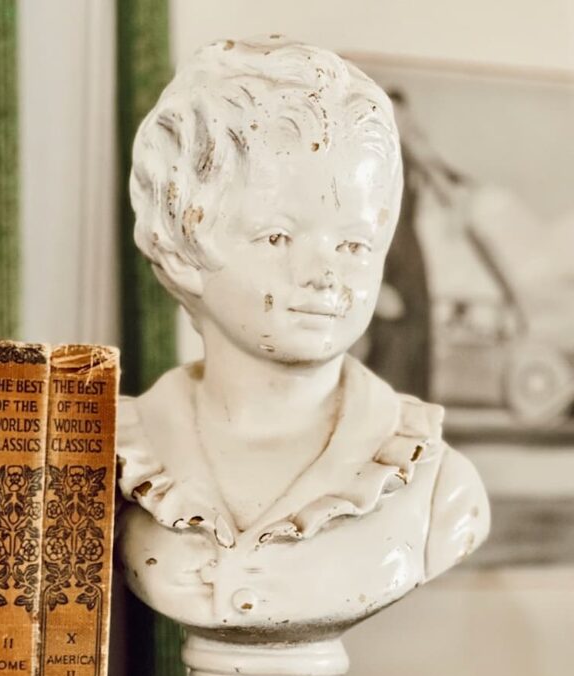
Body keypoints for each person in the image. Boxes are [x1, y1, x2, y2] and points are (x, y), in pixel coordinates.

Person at [117, 36, 490, 633]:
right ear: (179, 246)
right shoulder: (117, 463)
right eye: (277, 237)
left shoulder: (438, 488)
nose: (324, 275)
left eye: (353, 244)